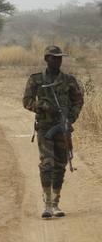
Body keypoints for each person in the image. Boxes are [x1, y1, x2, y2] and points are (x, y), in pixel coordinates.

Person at [23, 45, 84, 219]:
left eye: (59, 58)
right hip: (44, 127)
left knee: (60, 165)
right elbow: (26, 101)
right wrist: (42, 106)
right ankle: (47, 204)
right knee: (47, 164)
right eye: (54, 58)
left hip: (62, 128)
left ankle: (56, 203)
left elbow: (78, 100)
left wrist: (71, 117)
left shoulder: (68, 80)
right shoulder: (36, 79)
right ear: (46, 59)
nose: (58, 60)